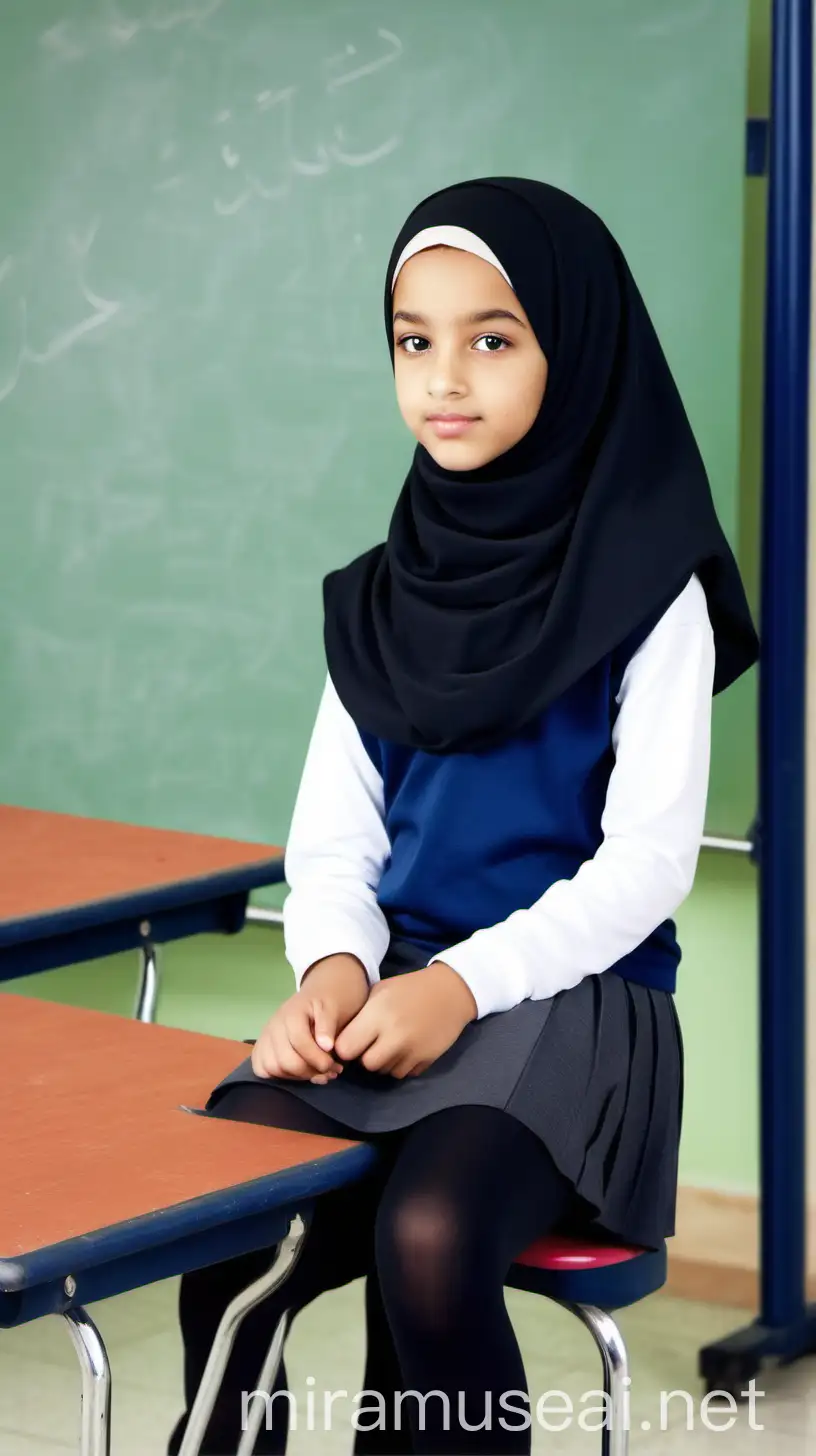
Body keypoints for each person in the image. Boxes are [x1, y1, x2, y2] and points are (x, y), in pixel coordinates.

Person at [168, 177, 758, 1456]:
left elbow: (646, 867)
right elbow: (335, 842)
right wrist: (329, 967)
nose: (446, 376)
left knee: (427, 1242)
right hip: (389, 995)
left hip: (572, 1010)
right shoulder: (381, 595)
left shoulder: (657, 594)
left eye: (494, 337)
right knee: (222, 1219)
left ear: (576, 347)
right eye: (413, 339)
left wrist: (458, 986)